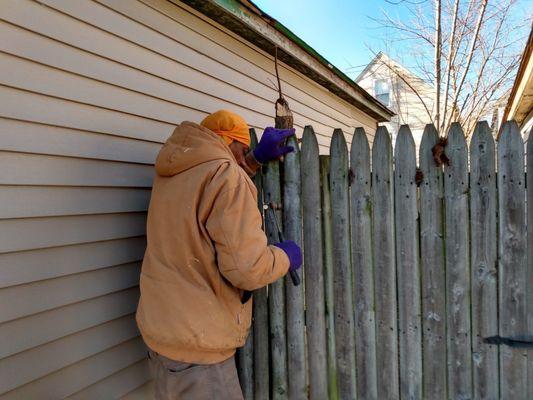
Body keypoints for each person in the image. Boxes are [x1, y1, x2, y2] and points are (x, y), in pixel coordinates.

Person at [136, 110, 302, 399]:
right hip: (198, 348)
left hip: (161, 333)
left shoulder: (174, 171)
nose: (242, 158)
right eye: (243, 149)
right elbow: (247, 269)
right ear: (228, 142)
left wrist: (253, 161)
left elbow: (209, 194)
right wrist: (286, 257)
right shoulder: (226, 177)